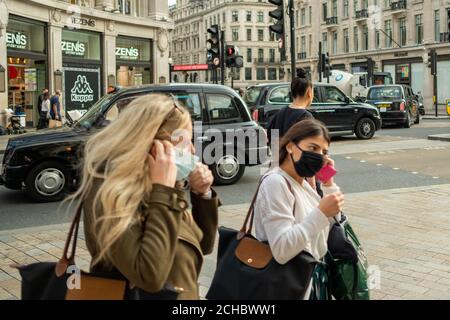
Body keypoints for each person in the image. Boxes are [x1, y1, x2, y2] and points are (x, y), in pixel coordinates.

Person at [67, 94, 220, 300]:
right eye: (184, 142)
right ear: (151, 145)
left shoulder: (162, 186)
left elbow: (202, 245)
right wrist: (164, 192)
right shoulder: (112, 193)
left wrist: (202, 194)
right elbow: (150, 276)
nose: (192, 150)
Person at [253, 119, 344, 300]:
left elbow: (334, 221)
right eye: (312, 148)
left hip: (310, 279)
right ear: (290, 147)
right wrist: (320, 213)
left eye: (324, 151)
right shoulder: (276, 183)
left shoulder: (301, 181)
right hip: (289, 285)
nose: (319, 156)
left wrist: (328, 182)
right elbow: (281, 249)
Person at [266, 68, 315, 146]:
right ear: (309, 92)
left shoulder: (280, 113)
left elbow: (271, 138)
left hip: (278, 157)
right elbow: (310, 146)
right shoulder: (306, 117)